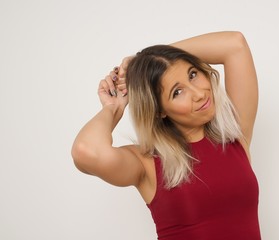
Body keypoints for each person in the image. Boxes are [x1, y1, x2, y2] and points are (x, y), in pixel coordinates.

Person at [71, 31, 260, 239]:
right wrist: (113, 108)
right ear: (160, 110)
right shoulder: (147, 163)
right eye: (177, 92)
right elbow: (86, 151)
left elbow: (234, 45)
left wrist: (145, 61)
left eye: (192, 74)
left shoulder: (233, 137)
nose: (199, 94)